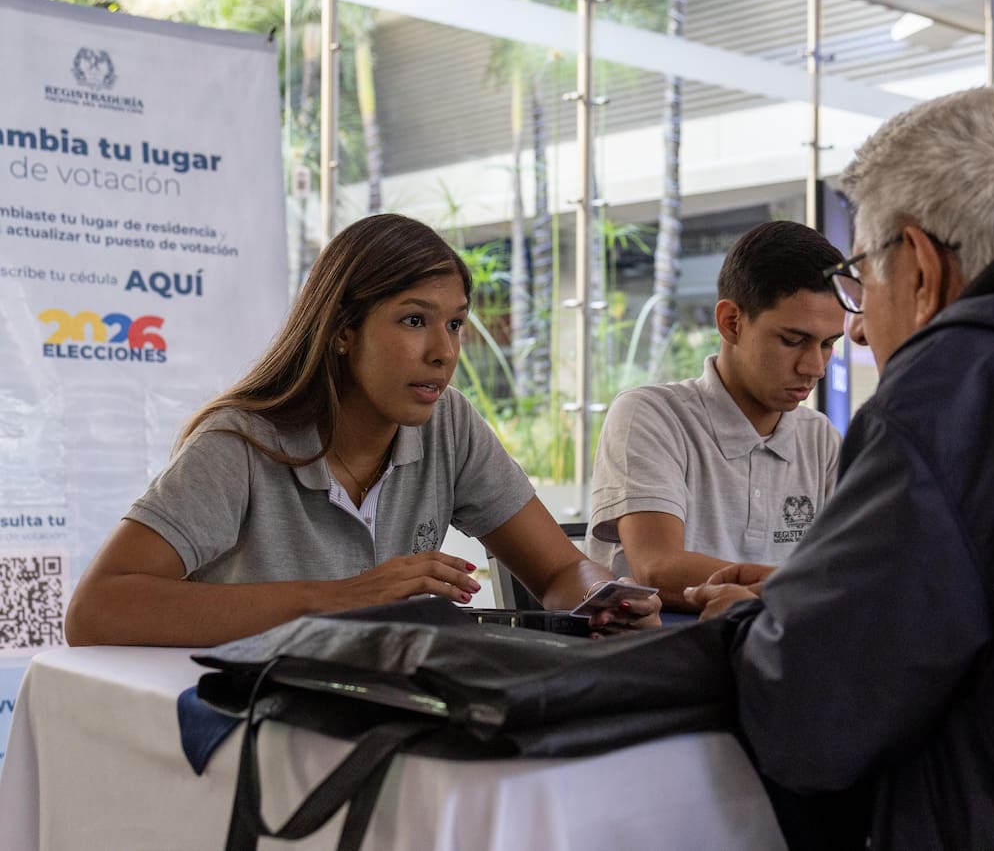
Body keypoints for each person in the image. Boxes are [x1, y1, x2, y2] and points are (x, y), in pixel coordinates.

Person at [685, 87, 994, 849]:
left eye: (861, 279)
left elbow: (809, 718)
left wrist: (758, 620)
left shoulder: (957, 390)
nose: (856, 331)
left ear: (922, 267)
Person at [65, 213, 660, 647]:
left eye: (454, 325)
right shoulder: (239, 442)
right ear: (342, 330)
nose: (443, 352)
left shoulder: (448, 422)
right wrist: (341, 598)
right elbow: (95, 610)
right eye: (413, 320)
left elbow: (557, 571)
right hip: (240, 733)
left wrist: (603, 597)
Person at [585, 221, 846, 611]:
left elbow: (848, 571)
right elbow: (656, 568)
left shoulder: (819, 438)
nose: (816, 367)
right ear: (731, 322)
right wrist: (798, 590)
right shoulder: (651, 416)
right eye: (794, 341)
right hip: (661, 655)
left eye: (828, 345)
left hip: (774, 656)